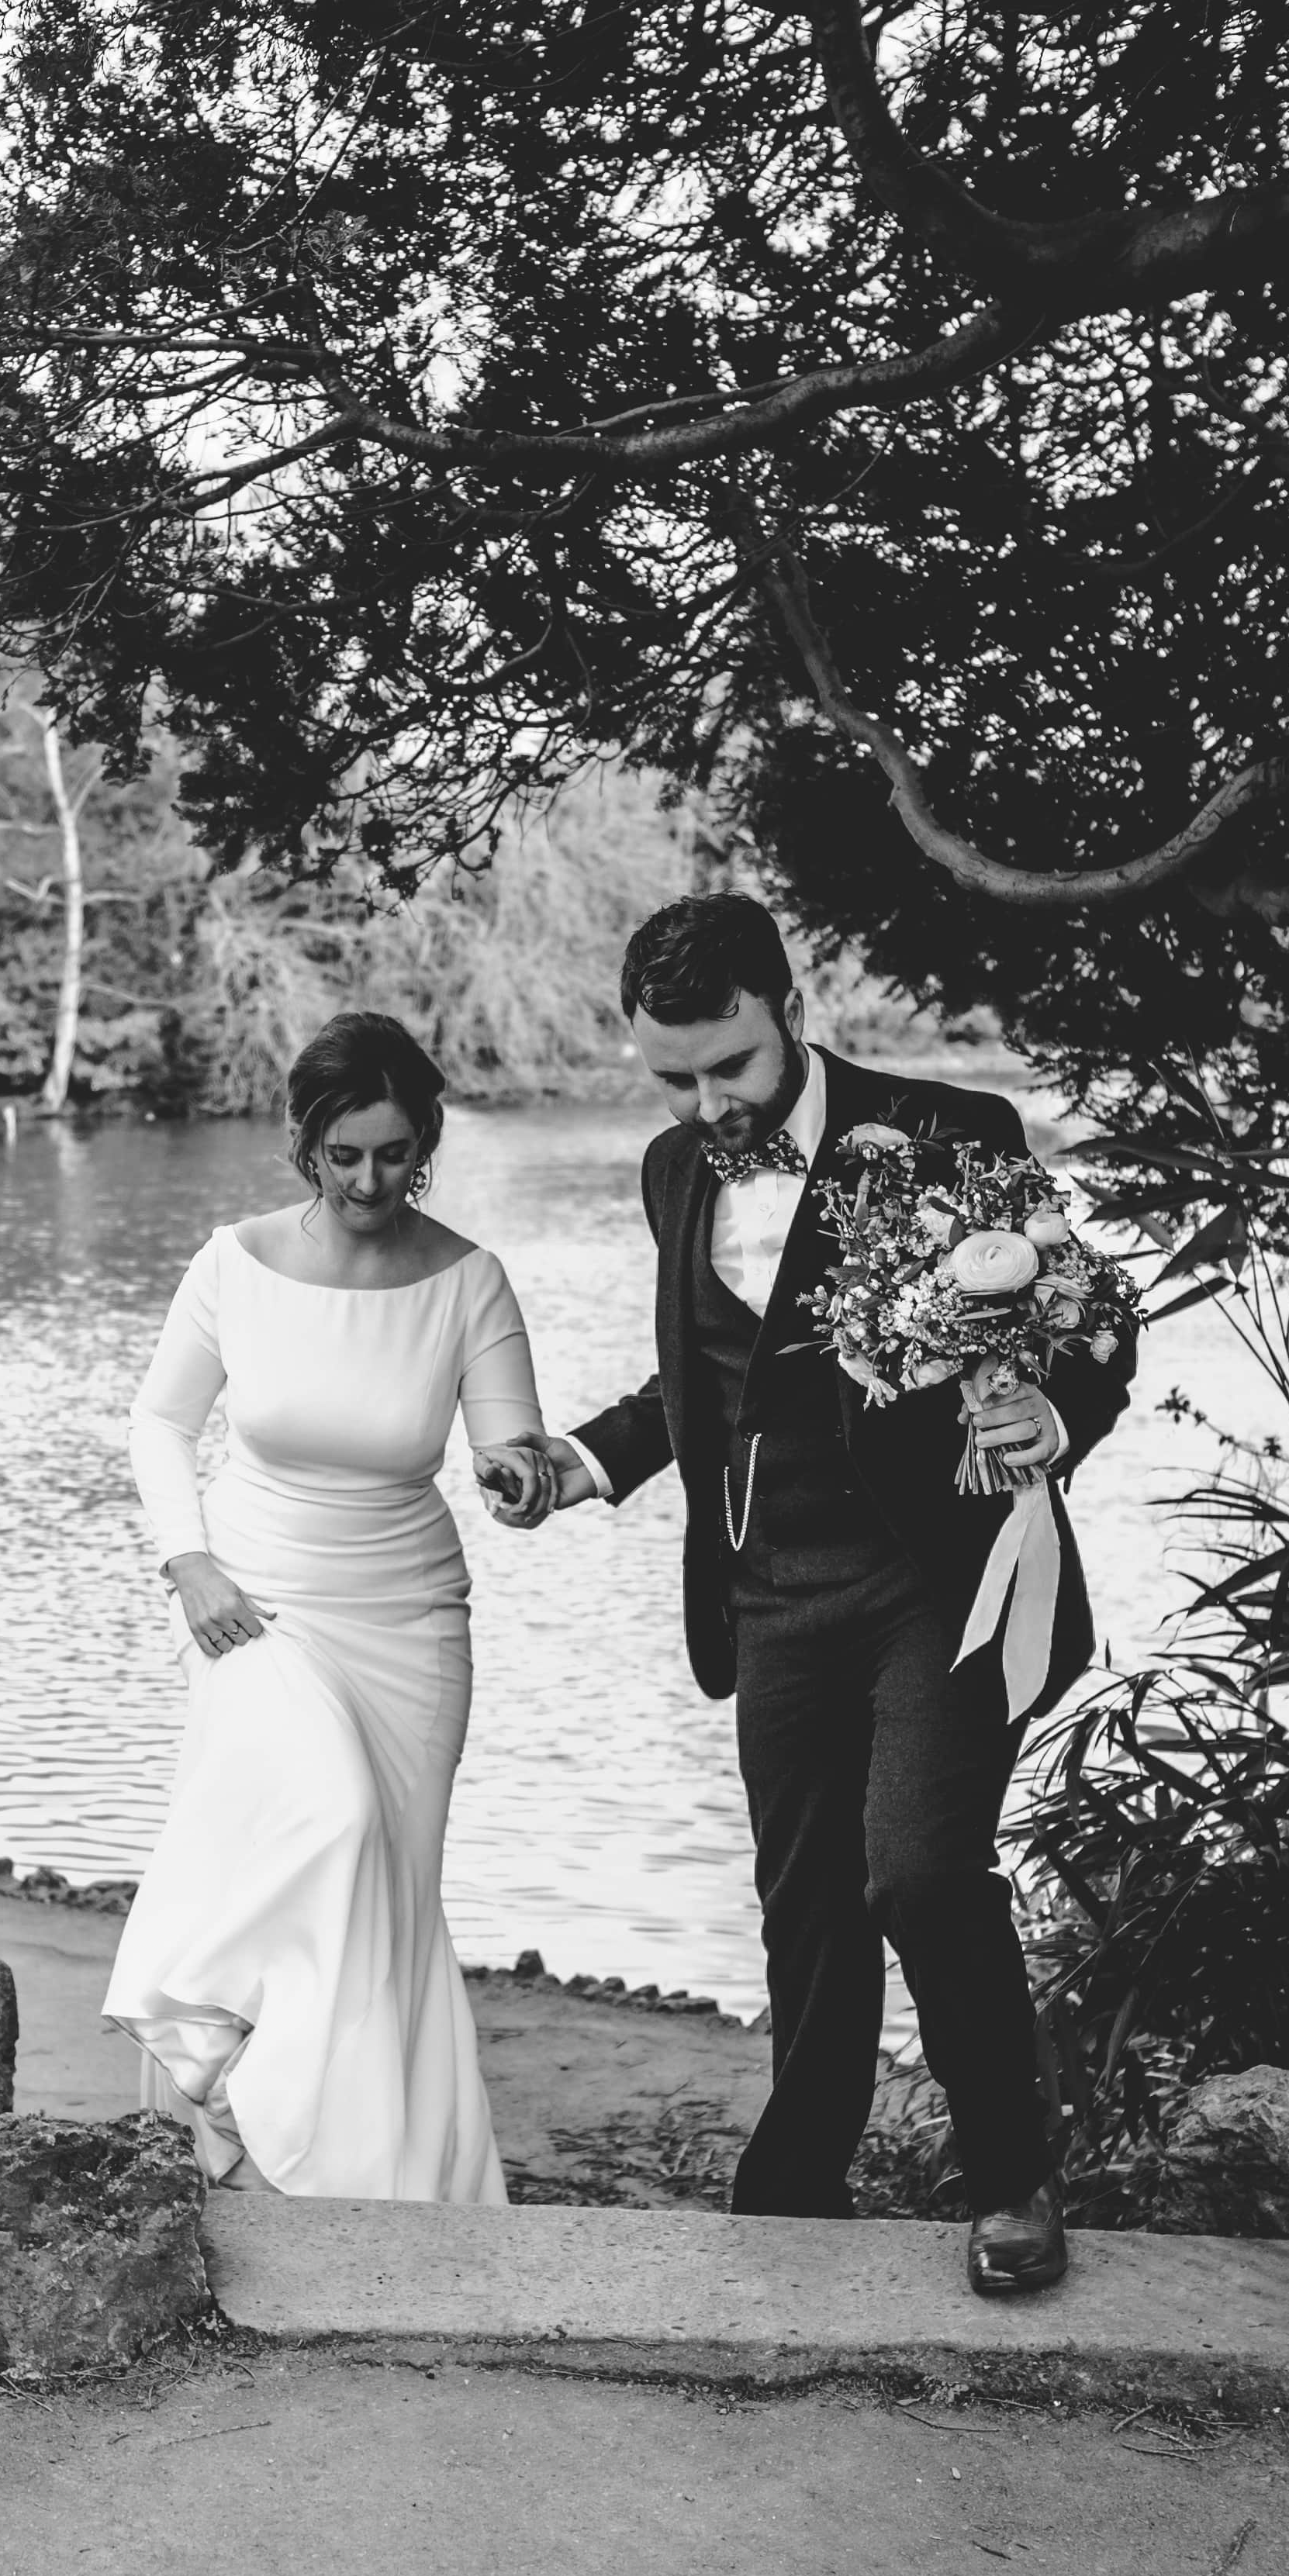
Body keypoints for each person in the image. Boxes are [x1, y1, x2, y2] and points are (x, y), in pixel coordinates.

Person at [496, 895, 1133, 2292]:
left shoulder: (950, 1130)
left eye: (728, 1064)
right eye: (673, 1075)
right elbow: (704, 1382)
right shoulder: (672, 1170)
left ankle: (1013, 2179)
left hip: (940, 1576)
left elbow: (1092, 1316)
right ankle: (798, 2179)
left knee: (912, 1863)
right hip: (768, 1587)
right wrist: (579, 1462)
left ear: (784, 1007)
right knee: (804, 1898)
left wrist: (1050, 1412)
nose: (706, 1101)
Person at [104, 1012, 546, 2201]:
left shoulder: (469, 1282)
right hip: (250, 1602)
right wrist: (185, 1558)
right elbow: (158, 1423)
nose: (369, 1180)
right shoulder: (232, 1263)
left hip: (408, 1618)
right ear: (305, 1145)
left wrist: (521, 1475)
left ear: (426, 1145)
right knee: (330, 1820)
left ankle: (377, 2182)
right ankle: (236, 2094)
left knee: (390, 1897)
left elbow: (513, 1447)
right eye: (344, 1155)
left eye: (395, 1154)